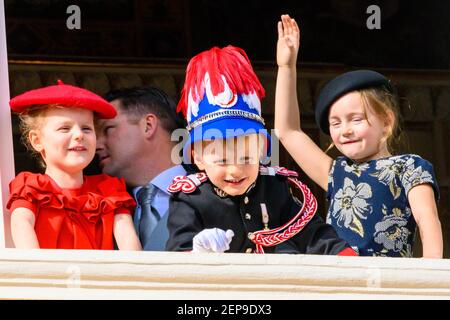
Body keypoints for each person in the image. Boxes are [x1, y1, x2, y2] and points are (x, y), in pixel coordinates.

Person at [274, 15, 443, 258]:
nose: (346, 130)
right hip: (339, 284)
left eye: (356, 119)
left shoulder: (410, 167)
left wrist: (430, 279)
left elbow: (427, 220)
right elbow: (288, 131)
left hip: (389, 286)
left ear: (386, 122)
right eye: (336, 123)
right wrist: (287, 67)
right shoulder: (336, 172)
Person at [165, 45, 357, 256]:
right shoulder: (190, 198)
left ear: (262, 152)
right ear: (198, 158)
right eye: (222, 161)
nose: (235, 170)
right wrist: (197, 253)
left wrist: (345, 256)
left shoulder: (275, 187)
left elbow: (312, 233)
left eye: (246, 158)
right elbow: (178, 254)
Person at [7, 80, 141, 250]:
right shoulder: (30, 187)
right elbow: (21, 226)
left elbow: (128, 241)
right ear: (37, 140)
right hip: (48, 275)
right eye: (64, 128)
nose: (79, 135)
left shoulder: (110, 190)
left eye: (86, 129)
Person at [96, 86, 188, 251]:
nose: (96, 145)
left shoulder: (219, 195)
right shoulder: (100, 208)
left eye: (107, 129)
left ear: (148, 125)